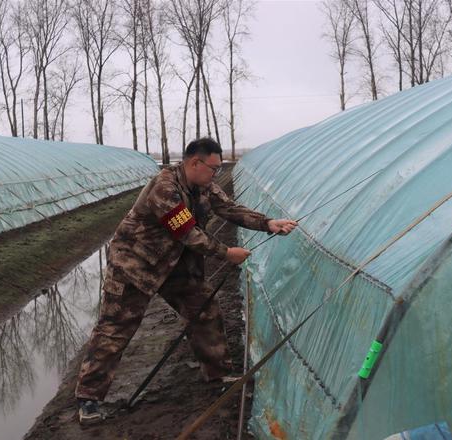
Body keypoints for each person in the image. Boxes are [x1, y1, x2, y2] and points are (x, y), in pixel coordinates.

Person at [75, 137, 297, 425]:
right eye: (214, 168)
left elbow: (228, 209)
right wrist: (226, 253)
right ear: (195, 162)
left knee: (204, 308)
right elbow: (187, 232)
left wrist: (267, 223)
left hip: (173, 262)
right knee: (116, 327)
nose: (216, 174)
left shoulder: (203, 185)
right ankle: (89, 399)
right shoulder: (164, 188)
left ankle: (218, 373)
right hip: (135, 264)